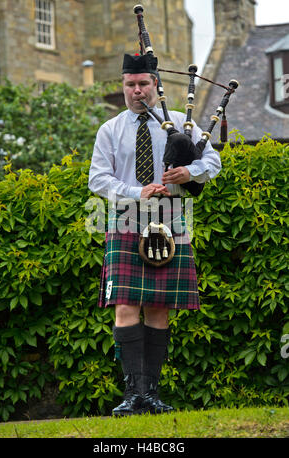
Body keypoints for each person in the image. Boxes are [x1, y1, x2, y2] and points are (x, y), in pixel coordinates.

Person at [88, 53, 221, 416]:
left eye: (143, 84)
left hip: (171, 219)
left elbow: (213, 163)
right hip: (127, 220)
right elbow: (98, 179)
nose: (137, 91)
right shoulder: (110, 129)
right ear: (124, 87)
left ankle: (153, 394)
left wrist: (189, 173)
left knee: (160, 308)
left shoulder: (182, 123)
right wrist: (137, 191)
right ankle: (133, 394)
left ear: (156, 85)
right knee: (126, 306)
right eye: (130, 84)